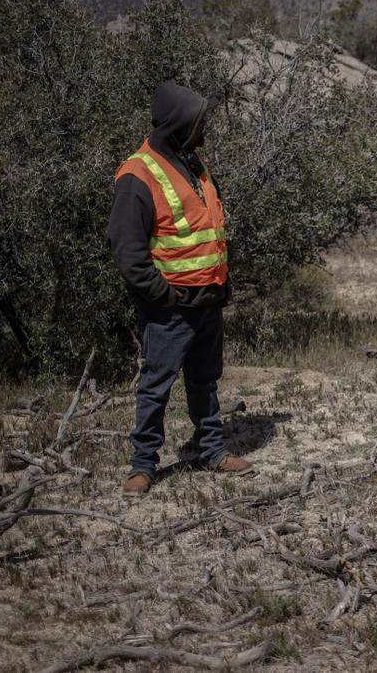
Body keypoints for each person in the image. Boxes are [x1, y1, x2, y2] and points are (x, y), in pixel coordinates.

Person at [108, 80, 253, 497]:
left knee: (205, 381)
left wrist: (222, 284)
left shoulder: (193, 161)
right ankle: (143, 465)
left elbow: (210, 226)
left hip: (208, 298)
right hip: (170, 307)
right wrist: (162, 294)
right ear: (177, 124)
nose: (203, 129)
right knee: (156, 385)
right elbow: (126, 248)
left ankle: (212, 450)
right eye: (198, 122)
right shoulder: (137, 174)